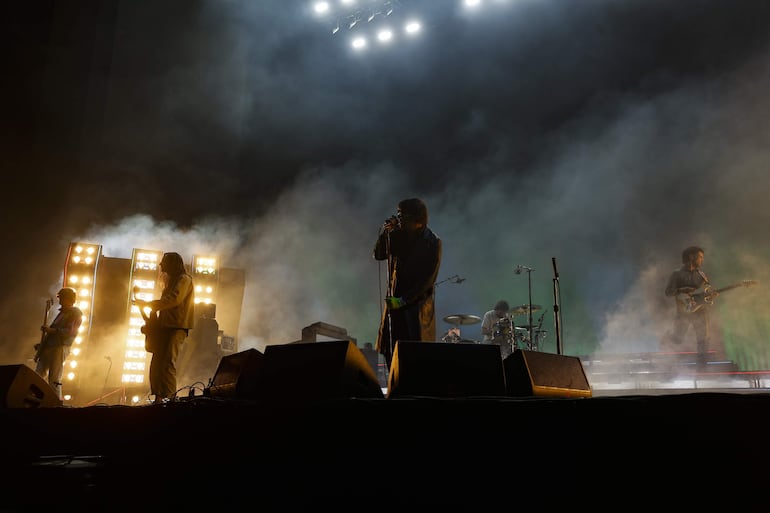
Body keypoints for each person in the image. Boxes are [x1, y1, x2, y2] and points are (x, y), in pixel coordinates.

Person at [373, 198, 442, 372]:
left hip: (416, 307)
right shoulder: (397, 236)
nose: (399, 218)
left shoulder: (432, 242)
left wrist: (404, 300)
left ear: (415, 218)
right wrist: (386, 234)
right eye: (398, 214)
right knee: (391, 350)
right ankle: (393, 385)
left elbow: (427, 280)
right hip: (396, 305)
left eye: (402, 215)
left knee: (414, 354)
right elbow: (379, 254)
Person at [134, 252, 195, 404]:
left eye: (164, 262)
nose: (160, 265)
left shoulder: (184, 279)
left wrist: (150, 304)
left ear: (173, 263)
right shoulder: (173, 281)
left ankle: (171, 398)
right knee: (157, 363)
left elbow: (174, 299)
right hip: (165, 327)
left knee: (167, 362)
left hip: (176, 327)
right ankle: (159, 398)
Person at [662, 246, 718, 368]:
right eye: (700, 257)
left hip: (701, 310)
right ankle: (667, 340)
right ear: (691, 257)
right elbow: (668, 292)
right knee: (678, 338)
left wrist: (711, 295)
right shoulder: (677, 274)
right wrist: (681, 290)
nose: (702, 260)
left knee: (703, 337)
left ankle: (702, 365)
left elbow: (706, 292)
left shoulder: (702, 275)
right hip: (684, 311)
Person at [34, 287, 83, 399]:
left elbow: (70, 332)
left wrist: (53, 331)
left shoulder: (75, 313)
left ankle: (55, 403)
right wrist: (42, 345)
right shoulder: (61, 314)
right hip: (49, 348)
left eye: (62, 298)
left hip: (60, 347)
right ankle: (34, 400)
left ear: (68, 299)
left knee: (54, 378)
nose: (60, 300)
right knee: (37, 375)